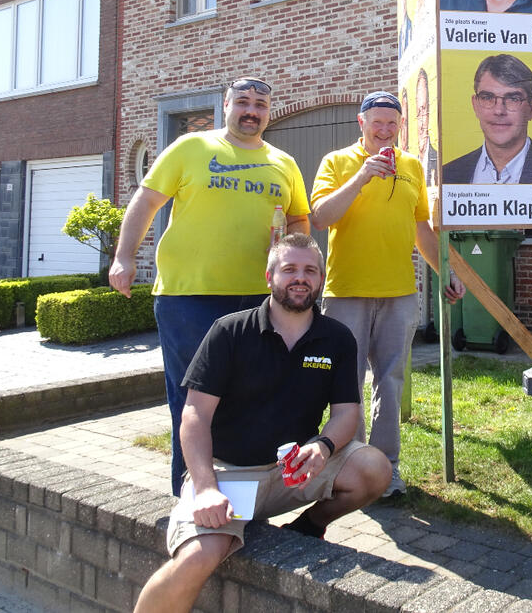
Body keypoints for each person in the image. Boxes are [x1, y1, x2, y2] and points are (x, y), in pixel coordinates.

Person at [132, 234, 390, 613]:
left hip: (293, 471)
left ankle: (307, 527)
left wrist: (322, 447)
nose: (300, 278)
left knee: (374, 468)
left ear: (321, 280)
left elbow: (346, 412)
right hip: (231, 476)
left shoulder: (336, 338)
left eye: (310, 270)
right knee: (198, 557)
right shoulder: (229, 331)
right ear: (269, 277)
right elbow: (194, 415)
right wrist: (206, 488)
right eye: (289, 269)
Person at [110, 77, 310, 496]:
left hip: (258, 299)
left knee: (250, 397)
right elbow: (146, 200)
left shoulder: (283, 162)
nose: (251, 110)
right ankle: (190, 495)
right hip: (190, 297)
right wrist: (124, 255)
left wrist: (295, 270)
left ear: (269, 112)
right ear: (226, 104)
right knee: (194, 399)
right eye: (243, 102)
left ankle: (242, 494)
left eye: (260, 104)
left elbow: (298, 220)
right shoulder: (191, 147)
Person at [309, 91, 465, 497]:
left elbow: (422, 230)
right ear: (361, 123)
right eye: (377, 122)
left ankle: (386, 468)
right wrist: (362, 177)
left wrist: (446, 272)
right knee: (347, 384)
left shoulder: (411, 165)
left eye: (392, 123)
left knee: (390, 381)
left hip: (399, 293)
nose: (384, 130)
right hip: (346, 292)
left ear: (401, 126)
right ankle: (350, 465)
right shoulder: (336, 162)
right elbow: (321, 217)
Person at [442, 54, 532, 185]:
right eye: (488, 97)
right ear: (475, 105)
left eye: (513, 99)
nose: (499, 111)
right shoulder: (447, 174)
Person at [415, 68, 438, 186]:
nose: (422, 122)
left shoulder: (438, 160)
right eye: (419, 112)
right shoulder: (410, 161)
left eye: (424, 111)